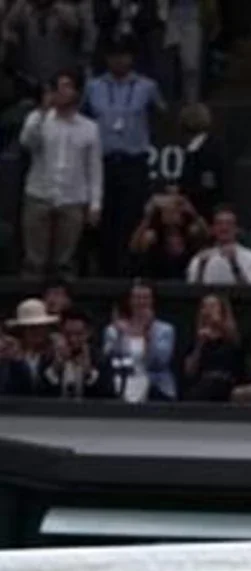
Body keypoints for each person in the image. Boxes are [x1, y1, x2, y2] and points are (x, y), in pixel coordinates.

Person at [84, 37, 163, 277]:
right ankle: (105, 271)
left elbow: (161, 113)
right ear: (107, 59)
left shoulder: (147, 86)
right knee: (105, 219)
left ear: (132, 58)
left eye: (124, 55)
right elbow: (84, 115)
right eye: (114, 55)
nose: (119, 60)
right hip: (104, 161)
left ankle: (130, 272)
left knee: (132, 218)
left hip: (134, 160)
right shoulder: (93, 87)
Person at [19, 70, 102, 280]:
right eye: (57, 87)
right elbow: (27, 142)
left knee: (64, 263)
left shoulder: (89, 128)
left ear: (76, 92)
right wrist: (42, 111)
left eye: (66, 86)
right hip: (39, 195)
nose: (60, 92)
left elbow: (93, 168)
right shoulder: (38, 118)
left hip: (72, 199)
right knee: (34, 261)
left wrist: (95, 204)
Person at [101, 280, 176, 403]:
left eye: (146, 298)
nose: (141, 302)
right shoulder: (114, 329)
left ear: (152, 301)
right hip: (121, 382)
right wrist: (119, 336)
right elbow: (108, 358)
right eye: (137, 298)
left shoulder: (165, 330)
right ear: (130, 301)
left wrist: (147, 334)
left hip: (154, 386)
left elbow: (159, 363)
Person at [40, 307, 116, 400]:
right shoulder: (49, 356)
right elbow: (37, 393)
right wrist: (55, 369)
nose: (73, 339)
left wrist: (89, 373)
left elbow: (108, 396)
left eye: (78, 334)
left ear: (88, 333)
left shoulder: (101, 359)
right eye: (68, 334)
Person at [180, 293, 245, 402]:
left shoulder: (231, 336)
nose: (208, 310)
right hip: (203, 382)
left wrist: (218, 325)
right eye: (205, 306)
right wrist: (200, 345)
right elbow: (189, 371)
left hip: (226, 381)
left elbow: (237, 353)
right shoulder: (197, 337)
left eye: (212, 306)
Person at [186, 206, 251, 286]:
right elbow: (193, 292)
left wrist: (234, 263)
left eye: (229, 223)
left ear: (237, 229)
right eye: (219, 223)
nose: (224, 228)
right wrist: (201, 268)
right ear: (213, 229)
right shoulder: (200, 259)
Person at [1, 299, 62, 396]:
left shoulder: (55, 353)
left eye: (40, 327)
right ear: (21, 330)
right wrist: (17, 362)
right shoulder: (9, 354)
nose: (36, 332)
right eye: (31, 328)